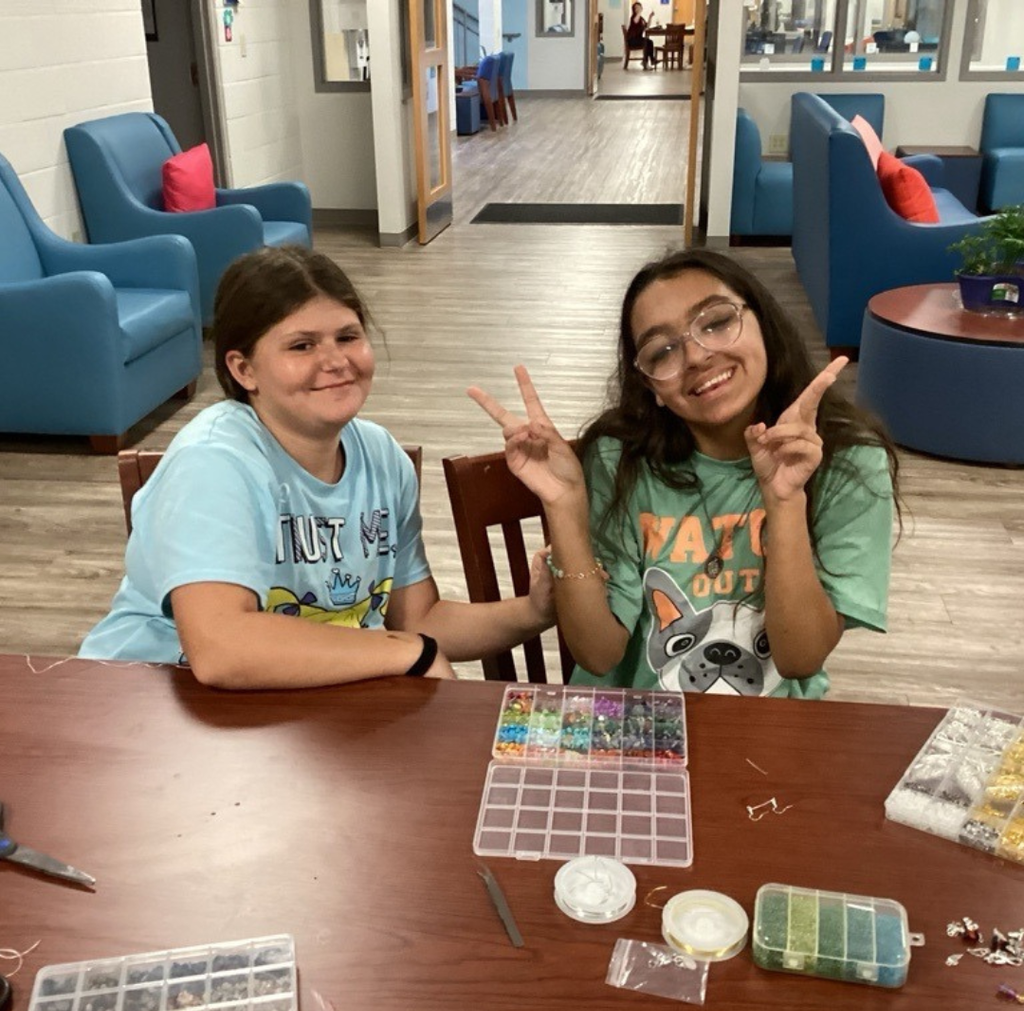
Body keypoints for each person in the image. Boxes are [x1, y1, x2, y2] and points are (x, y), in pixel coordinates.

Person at [80, 247, 554, 688]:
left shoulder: (382, 457)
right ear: (244, 370)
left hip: (304, 697)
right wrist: (406, 652)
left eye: (348, 336)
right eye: (302, 346)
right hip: (156, 699)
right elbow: (221, 648)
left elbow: (419, 621)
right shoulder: (214, 460)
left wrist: (533, 611)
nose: (335, 361)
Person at [470, 249, 899, 698]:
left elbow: (799, 658)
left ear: (764, 326)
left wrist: (786, 501)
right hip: (633, 724)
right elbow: (598, 655)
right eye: (662, 351)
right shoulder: (620, 459)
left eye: (715, 322)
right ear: (651, 388)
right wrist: (564, 506)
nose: (695, 355)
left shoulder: (847, 461)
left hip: (771, 725)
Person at [626, 2, 658, 69]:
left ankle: (652, 60)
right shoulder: (634, 17)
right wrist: (639, 12)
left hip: (638, 39)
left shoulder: (641, 18)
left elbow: (647, 26)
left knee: (650, 42)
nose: (639, 8)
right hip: (632, 40)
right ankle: (645, 63)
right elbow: (635, 21)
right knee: (646, 42)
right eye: (636, 8)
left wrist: (650, 17)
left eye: (639, 7)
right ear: (634, 10)